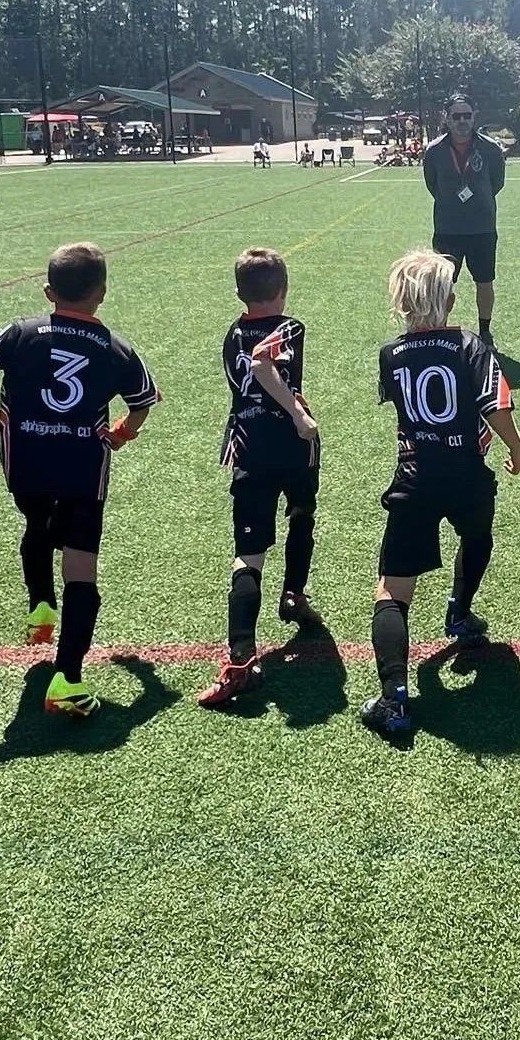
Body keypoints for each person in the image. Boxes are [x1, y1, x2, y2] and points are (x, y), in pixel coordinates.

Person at [0, 243, 161, 718]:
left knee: (38, 522)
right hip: (82, 467)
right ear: (101, 293)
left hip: (26, 461)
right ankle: (68, 678)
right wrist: (124, 432)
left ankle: (41, 604)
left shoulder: (21, 332)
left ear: (48, 290)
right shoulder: (114, 345)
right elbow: (144, 397)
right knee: (81, 568)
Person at [361, 251, 520, 738]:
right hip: (467, 473)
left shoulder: (391, 354)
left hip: (415, 477)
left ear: (402, 301)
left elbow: (404, 408)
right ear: (451, 300)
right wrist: (515, 447)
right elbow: (495, 406)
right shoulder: (470, 345)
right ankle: (459, 609)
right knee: (477, 538)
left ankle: (394, 700)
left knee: (393, 589)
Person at [198, 249, 324, 708]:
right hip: (292, 444)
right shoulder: (289, 326)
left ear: (239, 294)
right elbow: (262, 365)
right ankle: (293, 595)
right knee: (302, 516)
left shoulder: (232, 331)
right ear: (284, 289)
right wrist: (298, 414)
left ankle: (240, 657)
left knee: (248, 555)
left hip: (247, 445)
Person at [420, 96, 508, 346]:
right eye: (456, 116)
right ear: (446, 118)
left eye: (466, 115)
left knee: (485, 280)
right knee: (442, 283)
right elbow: (433, 185)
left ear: (474, 116)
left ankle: (485, 330)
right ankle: (439, 329)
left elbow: (496, 184)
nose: (462, 121)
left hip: (482, 228)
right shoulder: (434, 151)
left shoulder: (490, 149)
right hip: (448, 229)